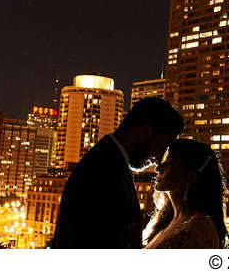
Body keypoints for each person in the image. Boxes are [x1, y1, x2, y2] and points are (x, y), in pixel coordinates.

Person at [51, 96, 183, 248]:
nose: (159, 159)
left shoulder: (109, 161)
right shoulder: (103, 170)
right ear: (144, 131)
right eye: (162, 147)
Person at [143, 139, 229, 249]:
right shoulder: (166, 220)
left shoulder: (200, 228)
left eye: (170, 163)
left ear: (190, 176)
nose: (158, 168)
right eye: (164, 161)